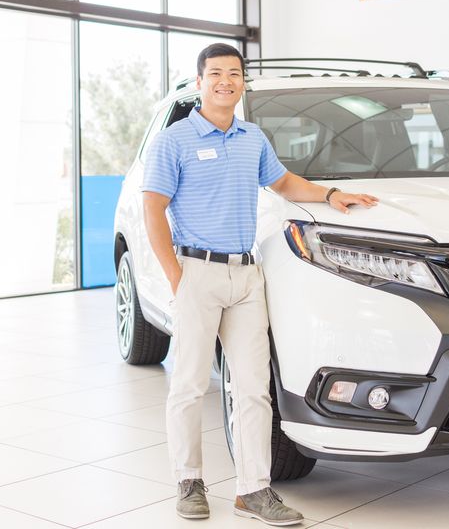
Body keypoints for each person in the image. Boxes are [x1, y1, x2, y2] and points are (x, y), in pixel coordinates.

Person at [142, 43, 378, 526]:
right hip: (197, 273)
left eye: (234, 73)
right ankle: (189, 482)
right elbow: (152, 210)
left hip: (246, 275)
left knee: (253, 389)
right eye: (215, 74)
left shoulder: (253, 137)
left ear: (242, 81)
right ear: (200, 82)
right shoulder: (176, 140)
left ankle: (254, 491)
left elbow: (286, 184)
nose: (225, 81)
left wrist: (333, 195)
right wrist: (176, 277)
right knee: (188, 386)